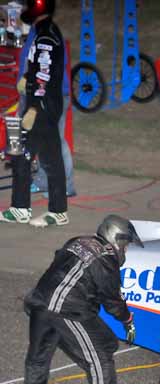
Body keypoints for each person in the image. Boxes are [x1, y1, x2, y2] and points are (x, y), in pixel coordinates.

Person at [22, 214, 142, 384]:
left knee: (38, 358)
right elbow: (112, 301)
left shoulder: (77, 241)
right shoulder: (106, 259)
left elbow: (60, 261)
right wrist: (126, 319)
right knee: (100, 358)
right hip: (69, 311)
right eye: (124, 244)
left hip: (40, 302)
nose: (124, 250)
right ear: (115, 237)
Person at [0, 0, 69, 227]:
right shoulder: (44, 31)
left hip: (42, 106)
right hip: (47, 104)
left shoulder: (46, 35)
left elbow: (45, 74)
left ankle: (20, 207)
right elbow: (38, 68)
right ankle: (58, 211)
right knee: (51, 157)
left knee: (21, 153)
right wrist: (26, 79)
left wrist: (34, 107)